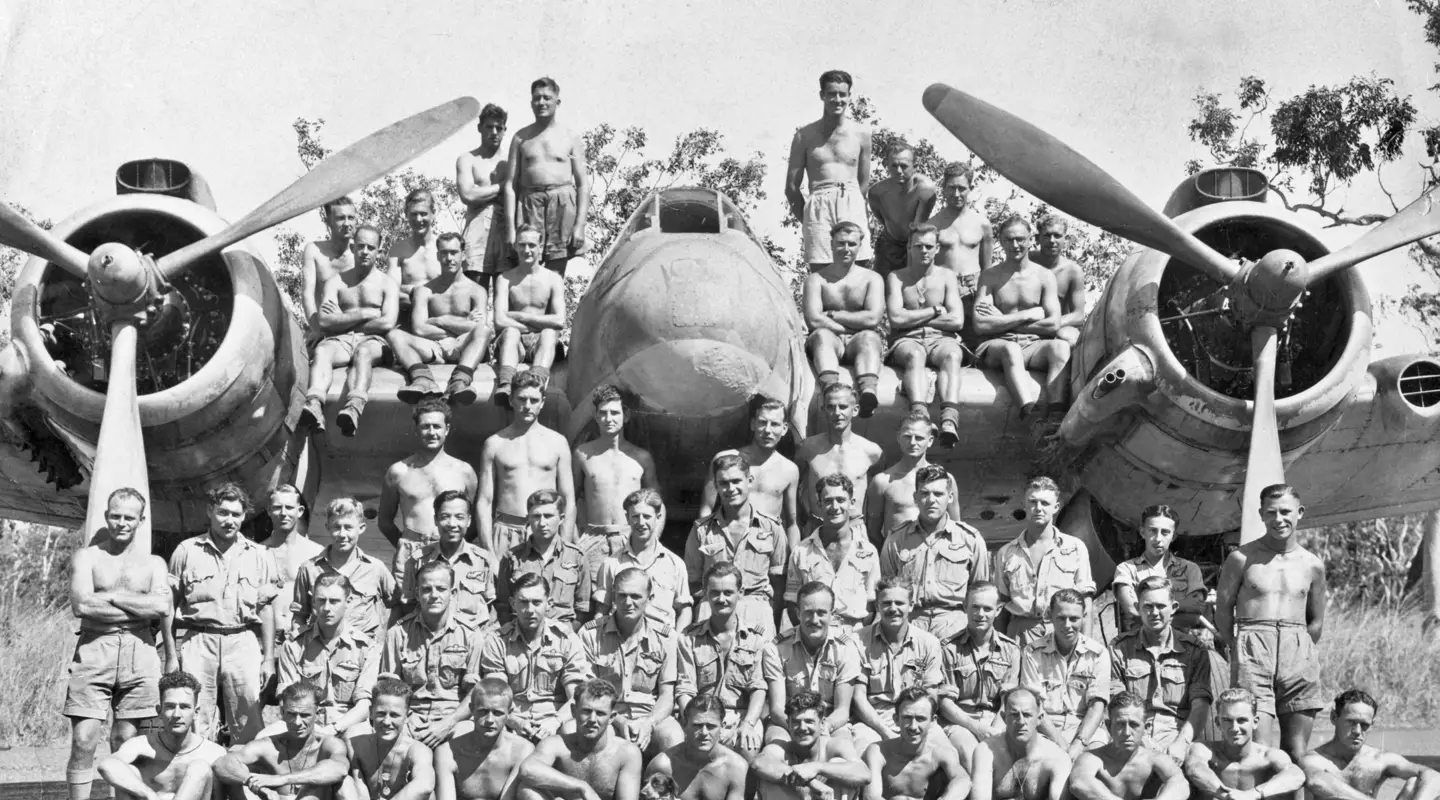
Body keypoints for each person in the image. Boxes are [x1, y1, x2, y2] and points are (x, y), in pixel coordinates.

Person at [66, 488, 173, 800]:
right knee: (84, 739)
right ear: (106, 517)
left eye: (129, 517)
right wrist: (138, 605)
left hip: (141, 652)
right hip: (94, 649)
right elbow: (82, 605)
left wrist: (109, 596)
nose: (121, 522)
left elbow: (161, 607)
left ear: (140, 521)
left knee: (126, 739)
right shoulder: (87, 557)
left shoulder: (154, 564)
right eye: (116, 516)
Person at [1215, 483, 1326, 761]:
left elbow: (1316, 622)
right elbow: (1223, 611)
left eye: (1286, 512)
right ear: (1261, 515)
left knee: (1297, 752)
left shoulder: (1312, 564)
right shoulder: (1241, 558)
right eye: (1271, 513)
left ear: (1300, 513)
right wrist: (1238, 647)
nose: (1279, 519)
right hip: (1253, 648)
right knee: (1259, 752)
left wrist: (1298, 648)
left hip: (1297, 650)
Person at [168, 482, 279, 743]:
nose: (230, 520)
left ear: (244, 516)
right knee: (195, 715)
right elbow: (168, 607)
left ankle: (243, 778)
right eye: (223, 513)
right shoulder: (186, 551)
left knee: (248, 715)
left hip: (243, 641)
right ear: (210, 512)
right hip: (199, 640)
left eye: (236, 514)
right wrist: (171, 656)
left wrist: (269, 658)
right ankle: (200, 776)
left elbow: (266, 609)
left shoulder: (259, 555)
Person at [299, 224, 401, 436]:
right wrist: (364, 314)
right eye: (361, 246)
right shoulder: (336, 282)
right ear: (353, 248)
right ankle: (315, 404)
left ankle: (354, 407)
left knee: (363, 353)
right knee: (322, 351)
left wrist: (342, 319)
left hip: (374, 341)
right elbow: (325, 323)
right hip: (341, 341)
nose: (365, 252)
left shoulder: (387, 283)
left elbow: (387, 323)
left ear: (378, 251)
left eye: (370, 247)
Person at [972, 216, 1071, 421]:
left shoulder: (1044, 276)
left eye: (1020, 239)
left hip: (1032, 346)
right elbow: (980, 324)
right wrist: (1026, 315)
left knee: (1060, 347)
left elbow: (1053, 324)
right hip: (997, 346)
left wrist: (1003, 322)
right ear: (1000, 241)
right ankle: (1030, 413)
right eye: (1009, 240)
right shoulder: (990, 276)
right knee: (1011, 349)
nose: (1015, 245)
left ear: (1030, 239)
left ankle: (1056, 415)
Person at [578, 567, 685, 755]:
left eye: (636, 596)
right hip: (606, 716)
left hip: (651, 715)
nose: (628, 603)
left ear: (650, 598)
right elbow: (586, 692)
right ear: (613, 598)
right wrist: (618, 721)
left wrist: (649, 723)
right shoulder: (590, 634)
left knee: (673, 736)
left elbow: (667, 695)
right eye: (622, 596)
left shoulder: (666, 638)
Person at [879, 464, 989, 642]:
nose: (931, 500)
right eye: (924, 493)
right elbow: (887, 589)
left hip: (955, 628)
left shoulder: (970, 539)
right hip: (910, 626)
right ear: (915, 497)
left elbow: (981, 592)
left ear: (950, 497)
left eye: (938, 494)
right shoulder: (896, 540)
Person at [381, 561, 486, 746]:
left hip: (453, 719)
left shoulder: (471, 635)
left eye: (441, 589)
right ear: (417, 594)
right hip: (410, 718)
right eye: (426, 589)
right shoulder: (397, 634)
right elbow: (389, 691)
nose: (434, 595)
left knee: (469, 733)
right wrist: (404, 723)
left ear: (452, 593)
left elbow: (474, 694)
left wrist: (449, 723)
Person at [684, 453, 788, 640]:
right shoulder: (702, 530)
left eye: (736, 481)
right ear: (715, 485)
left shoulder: (771, 528)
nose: (730, 488)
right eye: (723, 483)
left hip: (756, 609)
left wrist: (771, 622)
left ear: (749, 480)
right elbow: (693, 583)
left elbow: (779, 585)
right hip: (713, 608)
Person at [480, 572, 591, 743]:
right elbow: (496, 697)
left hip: (554, 720)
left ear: (549, 604)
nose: (530, 610)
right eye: (523, 602)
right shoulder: (497, 641)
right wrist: (514, 721)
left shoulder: (566, 639)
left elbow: (576, 697)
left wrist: (555, 722)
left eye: (537, 602)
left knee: (572, 729)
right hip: (512, 720)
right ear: (513, 604)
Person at [1109, 577, 1212, 761]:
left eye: (1160, 606)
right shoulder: (1120, 649)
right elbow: (1118, 704)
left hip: (1178, 733)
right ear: (1137, 608)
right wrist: (1143, 743)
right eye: (1147, 606)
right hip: (1132, 734)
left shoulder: (1195, 651)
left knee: (1198, 769)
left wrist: (1181, 744)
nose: (1154, 613)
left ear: (1173, 608)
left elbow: (1200, 705)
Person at [675, 563, 771, 757]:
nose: (721, 599)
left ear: (740, 592)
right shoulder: (689, 638)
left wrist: (748, 724)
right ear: (706, 594)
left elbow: (758, 688)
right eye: (715, 593)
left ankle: (746, 789)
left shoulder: (756, 638)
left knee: (748, 744)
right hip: (701, 716)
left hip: (740, 715)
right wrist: (694, 724)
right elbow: (685, 689)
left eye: (728, 592)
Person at [885, 224, 968, 445]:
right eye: (918, 246)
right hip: (908, 339)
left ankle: (949, 419)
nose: (924, 251)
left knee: (952, 355)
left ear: (937, 248)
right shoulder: (896, 277)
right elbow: (896, 319)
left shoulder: (947, 276)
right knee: (914, 355)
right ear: (909, 248)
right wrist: (933, 311)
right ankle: (920, 416)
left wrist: (914, 316)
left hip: (941, 339)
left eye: (929, 246)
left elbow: (957, 320)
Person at [478, 369, 577, 555]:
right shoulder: (494, 444)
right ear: (511, 401)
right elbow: (484, 500)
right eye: (522, 399)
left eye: (533, 400)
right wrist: (488, 551)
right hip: (507, 531)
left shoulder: (557, 442)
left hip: (547, 531)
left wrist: (564, 545)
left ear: (542, 403)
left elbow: (568, 499)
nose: (527, 405)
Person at [379, 398, 480, 578]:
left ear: (447, 429)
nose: (431, 432)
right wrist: (407, 546)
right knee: (407, 604)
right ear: (416, 429)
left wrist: (453, 545)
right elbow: (385, 522)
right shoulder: (398, 471)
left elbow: (473, 521)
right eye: (425, 426)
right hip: (410, 555)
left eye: (437, 426)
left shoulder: (464, 472)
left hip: (451, 552)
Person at [388, 231, 493, 404]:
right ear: (438, 255)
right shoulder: (425, 291)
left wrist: (439, 320)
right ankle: (422, 379)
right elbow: (419, 328)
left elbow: (480, 329)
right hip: (434, 347)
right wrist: (464, 324)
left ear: (463, 255)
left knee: (484, 330)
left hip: (463, 345)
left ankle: (459, 381)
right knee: (394, 335)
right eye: (444, 253)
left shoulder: (476, 290)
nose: (449, 258)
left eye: (454, 252)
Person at [786, 69, 873, 271]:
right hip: (819, 204)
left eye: (842, 94)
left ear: (849, 96)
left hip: (851, 200)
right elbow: (791, 187)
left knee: (859, 269)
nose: (837, 99)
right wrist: (808, 218)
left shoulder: (862, 133)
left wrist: (852, 205)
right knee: (821, 271)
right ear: (822, 95)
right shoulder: (804, 136)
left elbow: (863, 183)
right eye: (832, 93)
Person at [993, 476, 1096, 647]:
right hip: (1019, 637)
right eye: (1032, 502)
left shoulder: (1075, 548)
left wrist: (1086, 646)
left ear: (1056, 507)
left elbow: (1086, 603)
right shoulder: (1007, 553)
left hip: (1062, 634)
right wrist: (999, 648)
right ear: (1025, 505)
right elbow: (1001, 607)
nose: (1038, 508)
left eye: (1045, 503)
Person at [275, 574, 380, 739]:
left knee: (360, 739)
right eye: (321, 600)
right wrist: (311, 728)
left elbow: (364, 705)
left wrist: (333, 729)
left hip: (348, 724)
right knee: (263, 737)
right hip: (303, 721)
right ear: (313, 603)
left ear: (348, 602)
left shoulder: (366, 647)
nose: (326, 608)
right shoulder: (294, 645)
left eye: (334, 601)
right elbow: (288, 699)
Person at [574, 384, 659, 586]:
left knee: (630, 593)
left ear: (626, 416)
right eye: (603, 413)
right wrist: (577, 540)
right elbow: (571, 499)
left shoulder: (641, 458)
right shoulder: (582, 454)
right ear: (595, 416)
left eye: (614, 413)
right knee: (593, 600)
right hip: (593, 539)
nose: (608, 419)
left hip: (630, 538)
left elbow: (658, 504)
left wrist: (652, 540)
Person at [850, 577, 947, 753]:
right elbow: (858, 699)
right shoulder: (857, 641)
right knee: (862, 750)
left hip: (916, 717)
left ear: (911, 606)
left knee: (943, 749)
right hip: (873, 720)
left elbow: (930, 696)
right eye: (886, 603)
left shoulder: (929, 643)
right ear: (877, 606)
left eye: (899, 603)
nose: (893, 609)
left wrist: (912, 726)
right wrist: (885, 732)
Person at [504, 76, 591, 273]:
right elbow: (510, 185)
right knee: (525, 268)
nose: (541, 103)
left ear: (557, 102)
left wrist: (580, 225)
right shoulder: (520, 137)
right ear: (531, 102)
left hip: (561, 203)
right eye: (536, 98)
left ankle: (555, 305)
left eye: (546, 98)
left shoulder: (570, 137)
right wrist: (510, 229)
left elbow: (583, 184)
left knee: (556, 271)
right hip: (529, 204)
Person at [97, 671, 225, 800]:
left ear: (196, 712)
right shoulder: (141, 745)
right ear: (159, 711)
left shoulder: (213, 752)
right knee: (129, 770)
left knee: (200, 769)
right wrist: (149, 795)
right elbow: (106, 766)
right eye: (170, 707)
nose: (176, 714)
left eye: (184, 707)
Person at [698, 395, 802, 553]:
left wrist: (794, 558)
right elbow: (706, 509)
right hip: (727, 541)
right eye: (762, 422)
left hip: (767, 547)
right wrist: (704, 545)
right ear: (753, 424)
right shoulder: (725, 459)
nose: (767, 430)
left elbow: (792, 522)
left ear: (785, 428)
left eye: (774, 424)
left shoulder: (789, 470)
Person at [802, 222, 886, 416]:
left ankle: (868, 394)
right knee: (822, 334)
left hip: (859, 342)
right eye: (841, 243)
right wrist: (849, 327)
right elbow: (813, 320)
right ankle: (830, 391)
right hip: (829, 341)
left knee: (870, 337)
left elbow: (872, 319)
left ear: (860, 246)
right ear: (831, 245)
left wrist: (833, 315)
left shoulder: (872, 279)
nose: (846, 249)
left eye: (851, 244)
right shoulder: (816, 280)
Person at [213, 681, 350, 800]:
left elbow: (340, 769)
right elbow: (221, 763)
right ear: (282, 712)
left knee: (346, 784)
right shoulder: (268, 746)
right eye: (291, 714)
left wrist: (282, 779)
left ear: (317, 713)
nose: (297, 722)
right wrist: (254, 783)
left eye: (305, 715)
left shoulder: (329, 744)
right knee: (236, 777)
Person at [763, 582, 863, 744]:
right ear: (798, 613)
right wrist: (800, 728)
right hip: (788, 722)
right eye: (808, 613)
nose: (814, 620)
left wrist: (823, 728)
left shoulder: (846, 648)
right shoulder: (776, 649)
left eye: (821, 613)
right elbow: (776, 710)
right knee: (774, 753)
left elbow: (842, 710)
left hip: (830, 722)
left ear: (832, 614)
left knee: (842, 751)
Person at [292, 498, 398, 647]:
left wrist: (384, 640)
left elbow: (398, 605)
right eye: (336, 527)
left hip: (363, 656)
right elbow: (299, 615)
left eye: (348, 527)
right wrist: (300, 647)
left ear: (361, 528)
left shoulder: (375, 569)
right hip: (319, 653)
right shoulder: (309, 569)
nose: (342, 534)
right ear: (327, 527)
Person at [1301, 689, 1440, 800]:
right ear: (1334, 718)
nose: (1357, 731)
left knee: (1415, 784)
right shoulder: (1314, 759)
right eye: (1351, 722)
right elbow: (1317, 781)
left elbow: (1433, 776)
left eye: (1364, 725)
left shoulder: (1379, 759)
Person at [516, 679, 643, 800]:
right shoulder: (556, 744)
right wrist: (582, 787)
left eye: (600, 713)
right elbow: (527, 769)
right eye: (586, 711)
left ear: (612, 717)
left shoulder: (626, 752)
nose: (592, 719)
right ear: (573, 711)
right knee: (527, 790)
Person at [1020, 589, 1110, 759]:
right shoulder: (1032, 652)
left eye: (1074, 619)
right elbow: (1035, 706)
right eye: (1061, 618)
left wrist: (1078, 745)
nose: (1067, 625)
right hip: (1045, 729)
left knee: (1094, 764)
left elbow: (1097, 706)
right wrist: (1060, 743)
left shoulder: (1098, 654)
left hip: (1085, 730)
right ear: (1050, 616)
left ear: (1084, 617)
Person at [937, 582, 1021, 763]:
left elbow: (1009, 699)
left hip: (998, 720)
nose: (980, 614)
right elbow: (944, 703)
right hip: (960, 722)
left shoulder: (1011, 650)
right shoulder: (948, 648)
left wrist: (996, 728)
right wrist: (976, 727)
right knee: (972, 754)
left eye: (987, 608)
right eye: (975, 607)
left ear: (998, 611)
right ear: (965, 607)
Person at [785, 475, 879, 631]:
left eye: (841, 500)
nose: (835, 507)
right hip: (814, 633)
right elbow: (792, 602)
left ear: (852, 503)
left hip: (855, 636)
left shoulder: (868, 552)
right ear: (819, 504)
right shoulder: (801, 551)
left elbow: (872, 605)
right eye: (828, 501)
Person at [594, 490, 693, 630]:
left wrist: (676, 642)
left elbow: (684, 610)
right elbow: (602, 612)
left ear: (658, 517)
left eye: (647, 516)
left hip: (662, 644)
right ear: (627, 518)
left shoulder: (675, 564)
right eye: (635, 516)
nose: (641, 523)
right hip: (620, 643)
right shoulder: (611, 564)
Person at [1182, 688, 1306, 800]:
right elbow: (1195, 769)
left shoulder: (1268, 756)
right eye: (1227, 720)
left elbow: (1297, 775)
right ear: (1218, 723)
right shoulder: (1204, 749)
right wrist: (1227, 796)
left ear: (1255, 722)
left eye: (1242, 720)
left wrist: (1252, 794)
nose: (1235, 728)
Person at [400, 491, 499, 631]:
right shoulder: (418, 559)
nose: (452, 524)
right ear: (435, 520)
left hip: (471, 641)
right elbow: (407, 605)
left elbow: (492, 605)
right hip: (428, 638)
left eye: (459, 517)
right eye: (445, 517)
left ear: (469, 520)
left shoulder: (483, 560)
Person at [492, 225, 567, 405]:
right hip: (514, 343)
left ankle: (536, 384)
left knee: (549, 333)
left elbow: (559, 320)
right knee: (510, 332)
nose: (527, 250)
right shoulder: (504, 279)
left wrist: (521, 317)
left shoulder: (553, 278)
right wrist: (536, 324)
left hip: (541, 344)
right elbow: (500, 320)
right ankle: (506, 385)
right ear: (516, 246)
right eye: (522, 245)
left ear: (540, 247)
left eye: (532, 245)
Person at [496, 490, 591, 627]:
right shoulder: (512, 557)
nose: (542, 523)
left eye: (548, 516)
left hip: (563, 638)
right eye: (536, 516)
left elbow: (583, 609)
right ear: (528, 519)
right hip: (521, 636)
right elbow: (503, 605)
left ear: (561, 519)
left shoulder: (576, 557)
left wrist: (567, 636)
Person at [1068, 692, 1189, 800]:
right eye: (1120, 724)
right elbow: (1079, 783)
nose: (1126, 732)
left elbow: (1180, 784)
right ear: (1109, 726)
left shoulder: (1156, 759)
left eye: (1134, 725)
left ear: (1145, 728)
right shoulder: (1092, 758)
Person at [796, 383, 884, 529]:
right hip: (817, 528)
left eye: (843, 407)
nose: (837, 413)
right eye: (831, 407)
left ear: (855, 410)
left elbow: (879, 499)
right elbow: (793, 489)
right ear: (823, 410)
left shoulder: (872, 452)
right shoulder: (807, 449)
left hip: (854, 530)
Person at [865, 414, 963, 546]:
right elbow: (873, 532)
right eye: (907, 436)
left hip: (936, 558)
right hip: (898, 559)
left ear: (930, 441)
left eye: (919, 438)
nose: (912, 443)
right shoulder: (882, 482)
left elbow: (956, 526)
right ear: (898, 437)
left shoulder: (946, 480)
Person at [1112, 506, 1209, 636]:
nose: (1158, 539)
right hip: (1140, 646)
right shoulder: (1126, 569)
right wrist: (1182, 609)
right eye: (1152, 531)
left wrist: (1148, 614)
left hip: (1180, 645)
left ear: (1174, 536)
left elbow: (1196, 611)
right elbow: (1132, 612)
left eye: (1165, 532)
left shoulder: (1189, 569)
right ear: (1142, 532)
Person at [754, 691, 870, 800]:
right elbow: (758, 763)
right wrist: (809, 783)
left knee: (839, 763)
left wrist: (817, 767)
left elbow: (864, 774)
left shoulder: (835, 745)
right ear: (788, 724)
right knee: (768, 779)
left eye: (809, 721)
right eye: (795, 722)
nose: (802, 728)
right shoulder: (782, 747)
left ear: (822, 723)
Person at [434, 679, 537, 800]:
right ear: (472, 709)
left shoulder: (521, 750)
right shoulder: (448, 752)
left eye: (497, 713)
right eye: (483, 711)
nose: (489, 720)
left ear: (509, 713)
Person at [861, 688, 970, 800]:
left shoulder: (941, 754)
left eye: (920, 719)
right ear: (896, 719)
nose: (913, 726)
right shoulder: (879, 752)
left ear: (932, 721)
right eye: (907, 718)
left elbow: (963, 780)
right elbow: (871, 797)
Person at [344, 679, 437, 800]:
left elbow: (425, 785)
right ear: (371, 713)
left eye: (394, 715)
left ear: (407, 716)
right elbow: (359, 790)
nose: (387, 722)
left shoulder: (417, 751)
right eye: (381, 714)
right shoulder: (356, 745)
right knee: (345, 783)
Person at [971, 688, 1071, 800]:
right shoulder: (986, 751)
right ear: (1004, 718)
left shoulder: (1057, 758)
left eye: (1027, 715)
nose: (1021, 722)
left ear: (1039, 718)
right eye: (1014, 715)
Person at [645, 695, 750, 800]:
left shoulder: (736, 768)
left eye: (711, 726)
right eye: (697, 725)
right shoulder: (663, 766)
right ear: (684, 724)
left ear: (722, 727)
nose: (704, 732)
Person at [263, 484, 324, 662]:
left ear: (300, 511)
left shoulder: (316, 553)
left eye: (289, 507)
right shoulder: (257, 551)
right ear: (268, 510)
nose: (283, 513)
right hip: (264, 641)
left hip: (302, 641)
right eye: (277, 507)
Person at [457, 103, 511, 285]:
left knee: (505, 297)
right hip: (476, 231)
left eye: (499, 127)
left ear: (505, 130)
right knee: (474, 296)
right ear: (480, 128)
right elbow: (468, 195)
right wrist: (503, 187)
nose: (494, 132)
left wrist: (482, 192)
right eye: (489, 127)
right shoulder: (468, 159)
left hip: (506, 233)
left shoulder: (511, 160)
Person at [867, 143, 939, 276]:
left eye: (904, 166)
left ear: (915, 167)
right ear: (886, 165)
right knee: (882, 289)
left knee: (912, 288)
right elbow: (882, 219)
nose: (899, 171)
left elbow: (917, 227)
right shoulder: (876, 192)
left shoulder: (925, 189)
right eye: (894, 165)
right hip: (888, 245)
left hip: (915, 243)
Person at [926, 162, 992, 298]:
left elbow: (987, 269)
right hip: (942, 287)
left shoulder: (982, 224)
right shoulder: (932, 225)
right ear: (944, 188)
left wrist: (985, 295)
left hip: (974, 287)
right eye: (951, 188)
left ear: (970, 188)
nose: (956, 194)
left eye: (961, 188)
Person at [301, 196, 358, 341]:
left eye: (351, 218)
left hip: (355, 330)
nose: (347, 224)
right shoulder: (314, 251)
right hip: (323, 328)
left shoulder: (361, 253)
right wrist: (317, 330)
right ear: (328, 222)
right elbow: (307, 295)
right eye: (340, 218)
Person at [1027, 216, 1087, 346]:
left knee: (1070, 337)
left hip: (1056, 327)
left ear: (1065, 239)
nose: (1052, 240)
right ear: (1038, 239)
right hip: (1025, 325)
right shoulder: (1026, 261)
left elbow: (1078, 315)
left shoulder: (1073, 271)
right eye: (1047, 235)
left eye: (1057, 235)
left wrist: (1049, 323)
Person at [387, 188, 442, 304]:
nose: (418, 219)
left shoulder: (443, 247)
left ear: (433, 213)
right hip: (408, 315)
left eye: (423, 214)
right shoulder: (398, 251)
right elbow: (391, 292)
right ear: (406, 214)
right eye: (414, 214)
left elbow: (456, 289)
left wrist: (410, 289)